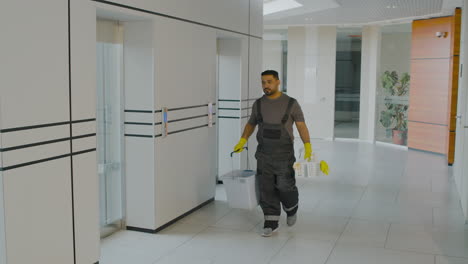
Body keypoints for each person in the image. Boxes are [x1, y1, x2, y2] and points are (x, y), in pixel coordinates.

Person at [233, 70, 329, 237]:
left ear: (278, 82)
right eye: (263, 82)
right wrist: (242, 140)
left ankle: (291, 208)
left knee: (285, 186)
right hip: (263, 154)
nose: (266, 86)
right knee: (266, 188)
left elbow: (301, 126)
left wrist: (308, 147)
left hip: (284, 154)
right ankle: (271, 222)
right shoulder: (258, 104)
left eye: (269, 82)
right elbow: (251, 124)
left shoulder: (291, 103)